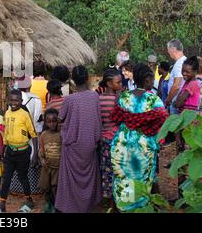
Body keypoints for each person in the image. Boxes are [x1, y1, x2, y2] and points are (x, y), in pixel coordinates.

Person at [110, 64, 169, 212]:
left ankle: (125, 207)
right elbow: (163, 122)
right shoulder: (154, 100)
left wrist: (131, 122)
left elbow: (115, 118)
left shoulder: (124, 97)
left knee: (124, 178)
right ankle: (141, 207)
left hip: (122, 145)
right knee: (142, 178)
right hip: (143, 147)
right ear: (148, 79)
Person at [55, 65, 102, 213]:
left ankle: (71, 206)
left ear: (73, 80)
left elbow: (60, 118)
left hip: (73, 145)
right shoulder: (94, 96)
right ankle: (88, 204)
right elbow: (97, 119)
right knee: (88, 177)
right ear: (87, 78)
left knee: (71, 180)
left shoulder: (69, 99)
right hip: (90, 143)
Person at [0, 90, 38, 213]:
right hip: (10, 152)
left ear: (21, 102)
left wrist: (36, 154)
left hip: (23, 152)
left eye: (16, 100)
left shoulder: (24, 115)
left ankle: (29, 200)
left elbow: (33, 134)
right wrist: (3, 149)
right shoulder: (7, 113)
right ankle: (2, 204)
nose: (13, 103)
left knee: (23, 177)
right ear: (8, 100)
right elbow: (7, 133)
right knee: (6, 178)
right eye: (11, 100)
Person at [11, 74, 42, 196]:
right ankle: (33, 188)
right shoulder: (36, 99)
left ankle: (17, 188)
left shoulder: (15, 99)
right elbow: (39, 121)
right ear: (30, 85)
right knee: (32, 157)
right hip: (33, 135)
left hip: (18, 136)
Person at [97, 68, 122, 212]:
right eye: (117, 82)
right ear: (108, 83)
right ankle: (119, 202)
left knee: (107, 171)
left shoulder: (98, 99)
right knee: (120, 170)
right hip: (118, 140)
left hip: (104, 140)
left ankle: (109, 202)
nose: (120, 85)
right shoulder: (119, 99)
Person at [38, 108, 62, 213]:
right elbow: (41, 150)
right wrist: (42, 159)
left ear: (58, 121)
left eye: (54, 121)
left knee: (55, 187)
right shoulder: (43, 135)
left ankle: (57, 206)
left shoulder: (61, 134)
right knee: (46, 187)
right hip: (47, 167)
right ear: (46, 122)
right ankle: (48, 204)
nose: (52, 124)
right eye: (49, 122)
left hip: (58, 167)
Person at [165, 39, 187, 114]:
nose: (168, 52)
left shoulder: (179, 64)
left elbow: (177, 85)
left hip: (176, 103)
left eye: (168, 50)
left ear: (173, 49)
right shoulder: (185, 61)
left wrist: (168, 99)